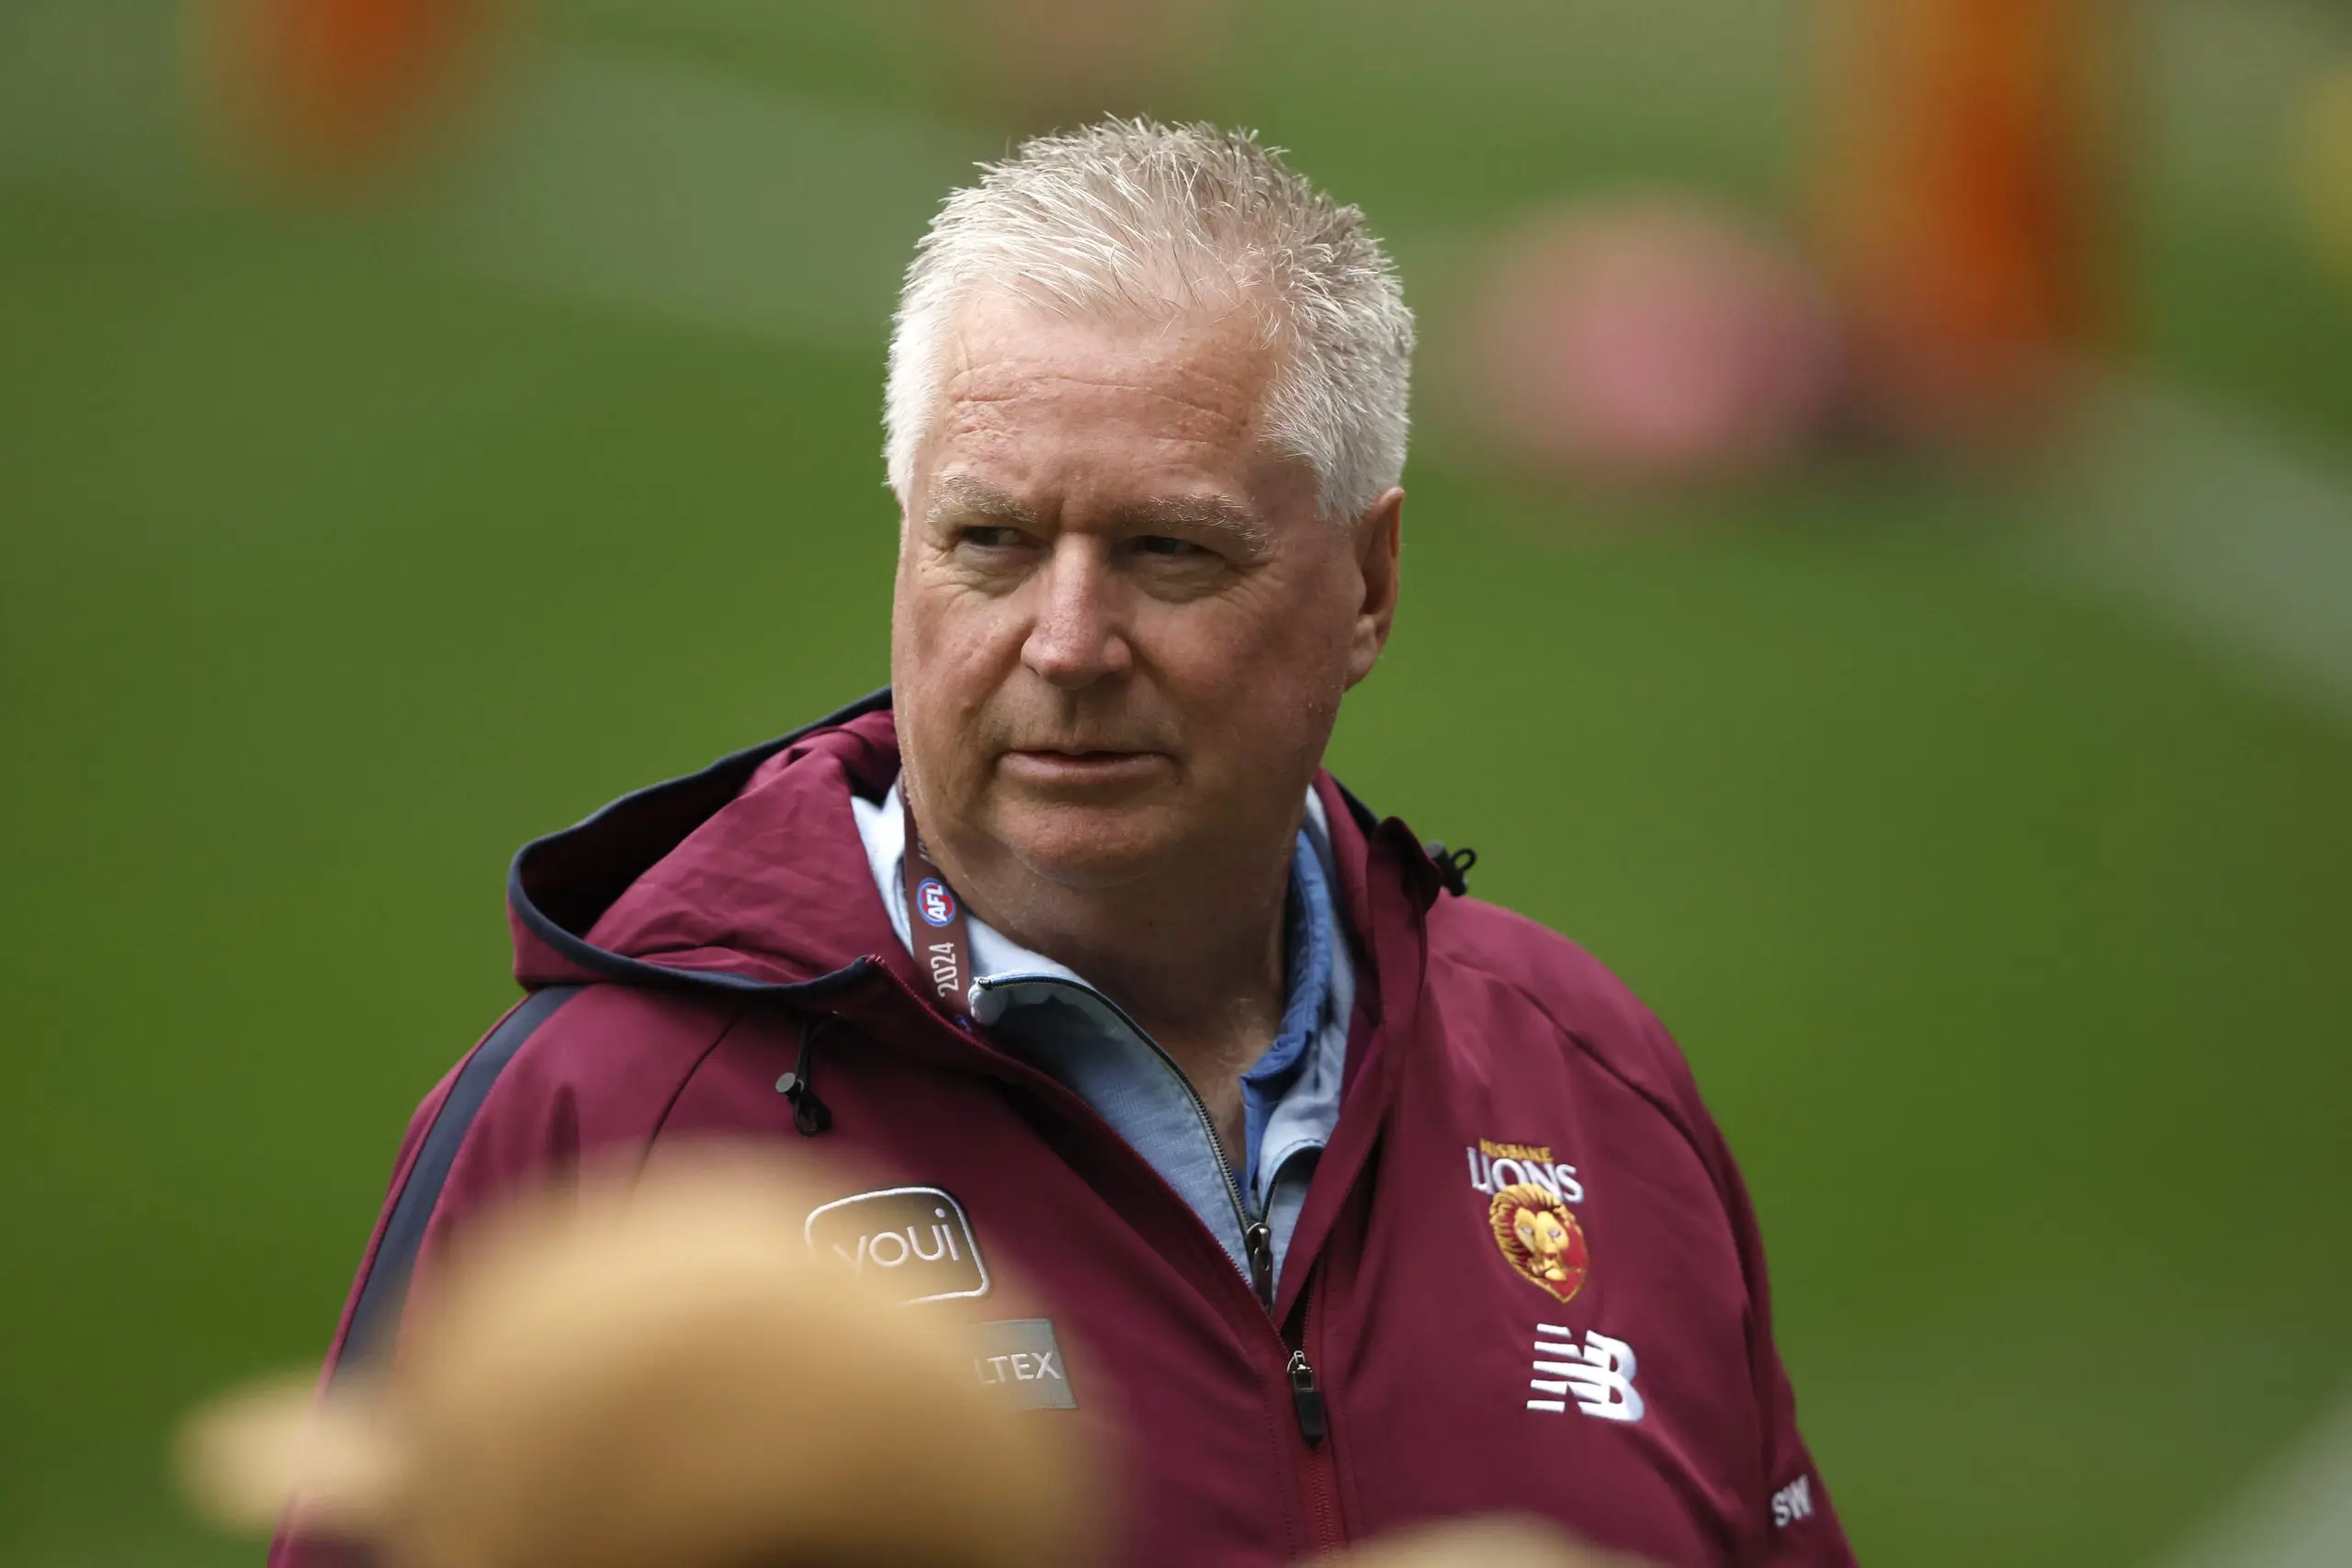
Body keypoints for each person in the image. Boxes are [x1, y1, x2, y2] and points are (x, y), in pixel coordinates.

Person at [276, 119, 1855, 1568]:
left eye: (1169, 551)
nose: (1068, 641)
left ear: (1367, 585)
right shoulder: (609, 1117)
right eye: (992, 543)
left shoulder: (1586, 1072)